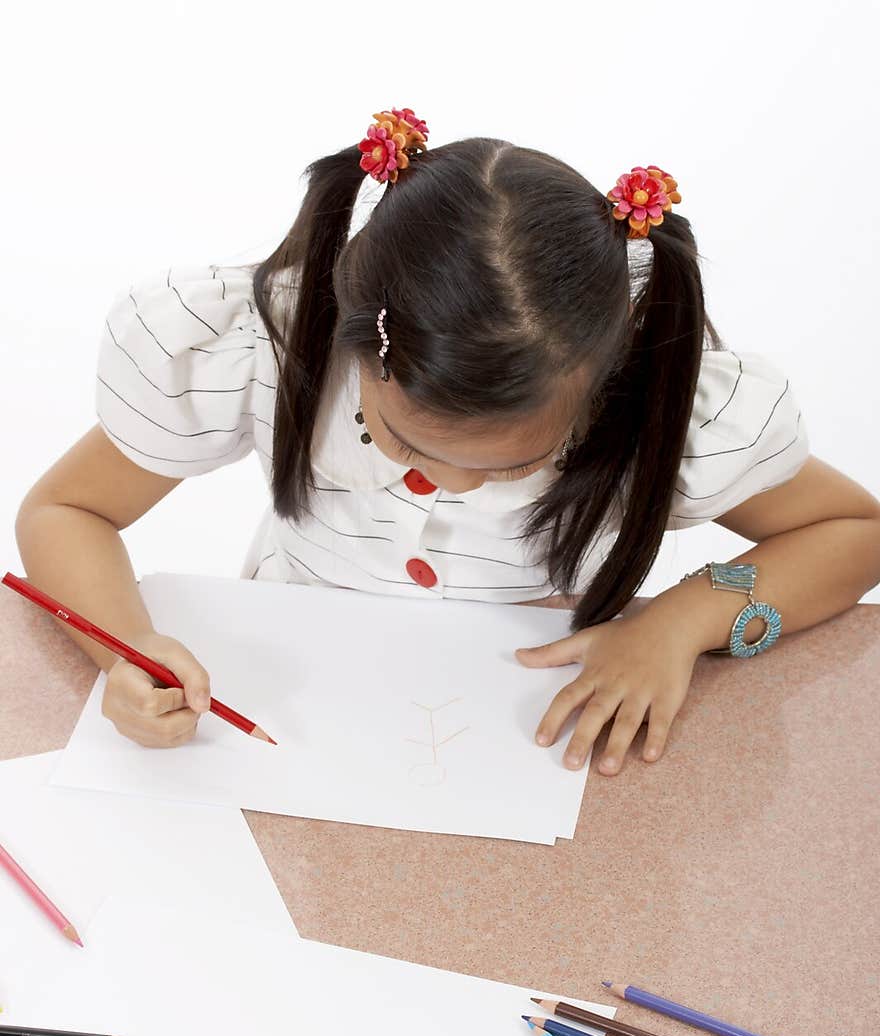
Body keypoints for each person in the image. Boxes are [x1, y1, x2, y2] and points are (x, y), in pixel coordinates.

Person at [16, 108, 880, 772]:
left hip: (531, 748)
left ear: (603, 384)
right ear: (357, 346)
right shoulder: (272, 346)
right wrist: (123, 650)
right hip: (284, 717)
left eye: (515, 463)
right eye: (402, 441)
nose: (455, 484)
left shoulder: (658, 404)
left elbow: (852, 533)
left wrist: (686, 620)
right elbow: (67, 508)